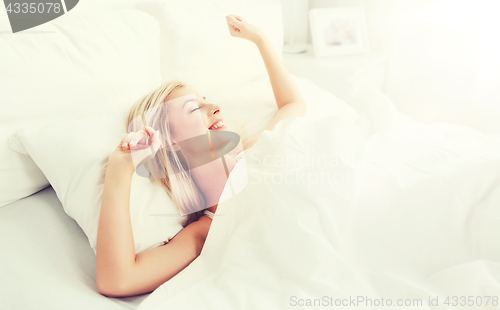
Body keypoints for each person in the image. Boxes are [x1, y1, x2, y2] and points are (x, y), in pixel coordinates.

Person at [95, 14, 307, 298]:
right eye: (196, 109)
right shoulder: (206, 229)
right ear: (170, 143)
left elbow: (293, 104)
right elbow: (118, 280)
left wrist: (259, 40)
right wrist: (120, 169)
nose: (217, 107)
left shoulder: (255, 148)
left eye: (207, 101)